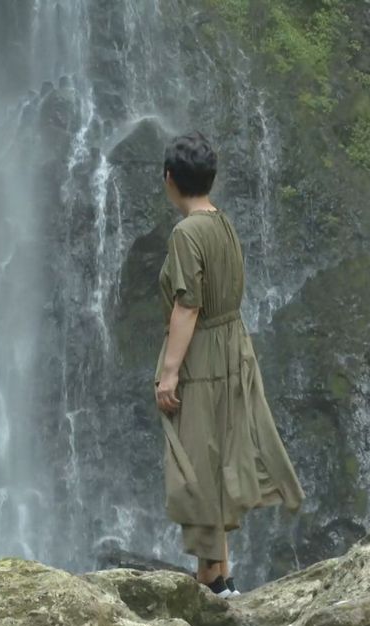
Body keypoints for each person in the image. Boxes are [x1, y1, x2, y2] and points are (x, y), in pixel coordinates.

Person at [154, 132, 304, 598]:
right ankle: (222, 576)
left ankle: (208, 581)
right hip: (233, 348)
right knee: (216, 455)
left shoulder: (186, 233)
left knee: (196, 460)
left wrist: (171, 371)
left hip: (202, 355)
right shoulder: (223, 224)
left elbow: (187, 306)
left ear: (170, 179)